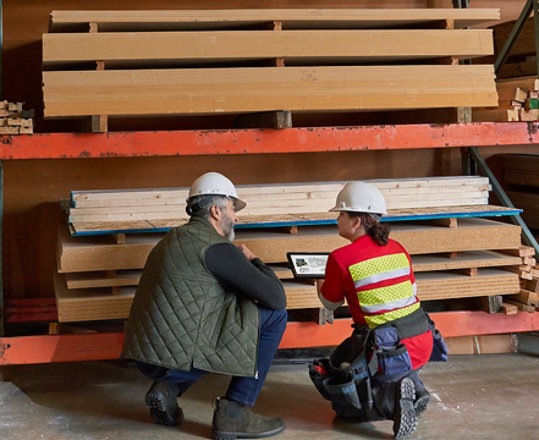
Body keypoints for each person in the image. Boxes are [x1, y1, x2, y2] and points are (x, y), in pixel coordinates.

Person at [121, 172, 288, 440]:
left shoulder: (172, 238)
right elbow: (276, 298)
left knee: (208, 323)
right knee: (275, 316)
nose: (236, 218)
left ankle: (167, 390)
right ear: (215, 211)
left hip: (147, 356)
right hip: (174, 358)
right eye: (233, 209)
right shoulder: (215, 248)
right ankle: (235, 411)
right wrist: (255, 261)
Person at [311, 181, 445, 439]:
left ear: (356, 221)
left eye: (341, 213)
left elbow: (330, 302)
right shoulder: (398, 249)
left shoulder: (341, 258)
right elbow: (411, 291)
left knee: (346, 403)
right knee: (378, 345)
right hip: (422, 339)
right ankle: (413, 387)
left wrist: (318, 283)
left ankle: (394, 401)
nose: (337, 219)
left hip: (387, 349)